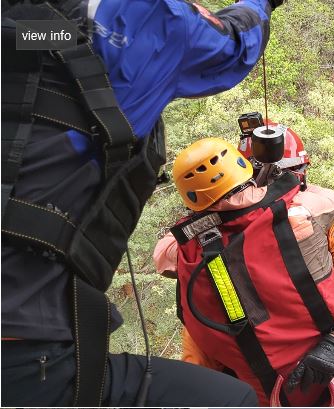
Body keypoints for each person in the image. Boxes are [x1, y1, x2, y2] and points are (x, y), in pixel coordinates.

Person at [1, 0, 283, 405]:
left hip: (33, 344)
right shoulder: (137, 17)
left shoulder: (186, 244)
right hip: (27, 355)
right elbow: (235, 42)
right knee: (232, 401)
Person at [153, 123, 334, 406]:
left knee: (204, 309)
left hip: (253, 390)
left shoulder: (190, 252)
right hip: (325, 379)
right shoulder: (308, 214)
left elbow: (164, 256)